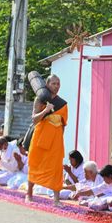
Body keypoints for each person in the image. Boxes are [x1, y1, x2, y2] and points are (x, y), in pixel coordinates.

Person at [26, 75, 68, 205]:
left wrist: (60, 141)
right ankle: (29, 194)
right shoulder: (40, 99)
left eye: (58, 84)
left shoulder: (63, 104)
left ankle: (56, 199)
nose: (56, 86)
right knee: (35, 165)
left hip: (56, 141)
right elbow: (34, 119)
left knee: (56, 169)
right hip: (40, 138)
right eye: (54, 83)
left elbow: (63, 125)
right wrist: (46, 110)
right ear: (47, 84)